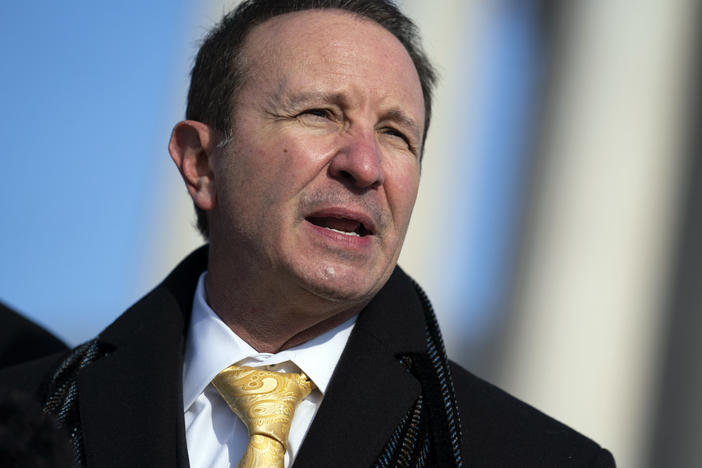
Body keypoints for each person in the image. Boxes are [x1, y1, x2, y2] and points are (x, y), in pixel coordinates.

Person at [0, 1, 615, 466]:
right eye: (320, 113)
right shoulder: (28, 419)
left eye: (397, 134)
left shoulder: (533, 457)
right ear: (201, 163)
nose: (365, 166)